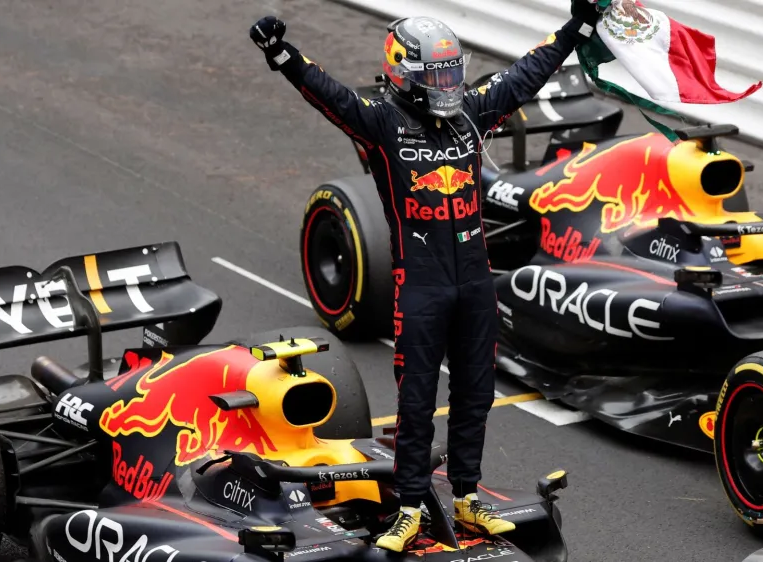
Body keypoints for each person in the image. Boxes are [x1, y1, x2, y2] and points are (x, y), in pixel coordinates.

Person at [249, 2, 605, 552]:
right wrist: (282, 55)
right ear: (405, 75)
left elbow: (526, 73)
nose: (448, 84)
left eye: (452, 72)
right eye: (436, 75)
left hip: (475, 283)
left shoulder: (471, 114)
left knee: (475, 395)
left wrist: (577, 29)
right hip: (420, 285)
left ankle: (467, 498)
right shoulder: (380, 122)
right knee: (416, 401)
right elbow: (330, 93)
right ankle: (409, 508)